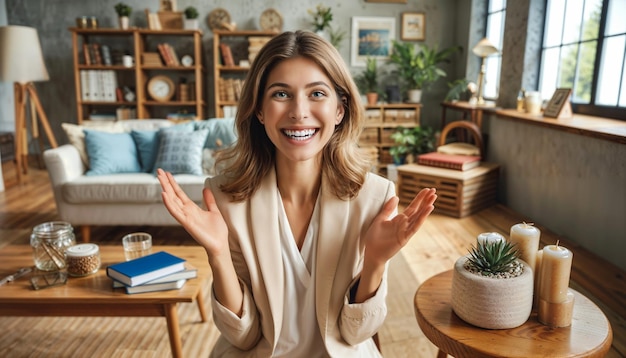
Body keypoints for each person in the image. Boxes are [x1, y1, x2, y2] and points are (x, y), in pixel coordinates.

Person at [157, 30, 437, 357]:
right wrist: (217, 254)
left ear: (340, 110)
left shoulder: (374, 197)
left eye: (317, 93)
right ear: (259, 110)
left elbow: (356, 332)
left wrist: (375, 260)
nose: (298, 111)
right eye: (280, 94)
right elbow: (243, 337)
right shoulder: (224, 200)